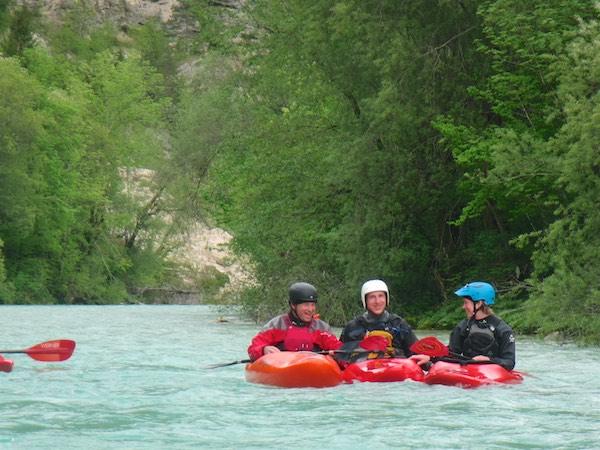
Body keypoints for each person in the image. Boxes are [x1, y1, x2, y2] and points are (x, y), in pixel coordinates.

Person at [247, 282, 343, 361]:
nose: (310, 309)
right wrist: (263, 349)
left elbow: (338, 349)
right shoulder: (276, 325)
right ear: (293, 305)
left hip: (312, 369)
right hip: (282, 369)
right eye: (306, 304)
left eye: (313, 305)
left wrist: (336, 355)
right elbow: (254, 348)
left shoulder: (322, 328)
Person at [339, 279, 418, 358]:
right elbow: (340, 356)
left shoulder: (399, 324)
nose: (377, 301)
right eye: (372, 297)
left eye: (381, 296)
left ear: (386, 299)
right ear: (365, 301)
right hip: (364, 368)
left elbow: (417, 354)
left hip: (395, 368)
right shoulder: (352, 327)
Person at [449, 281, 516, 370]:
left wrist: (488, 360)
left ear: (479, 303)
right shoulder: (463, 326)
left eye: (466, 303)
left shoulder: (503, 330)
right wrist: (431, 358)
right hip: (468, 370)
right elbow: (451, 354)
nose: (463, 307)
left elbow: (509, 362)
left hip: (492, 374)